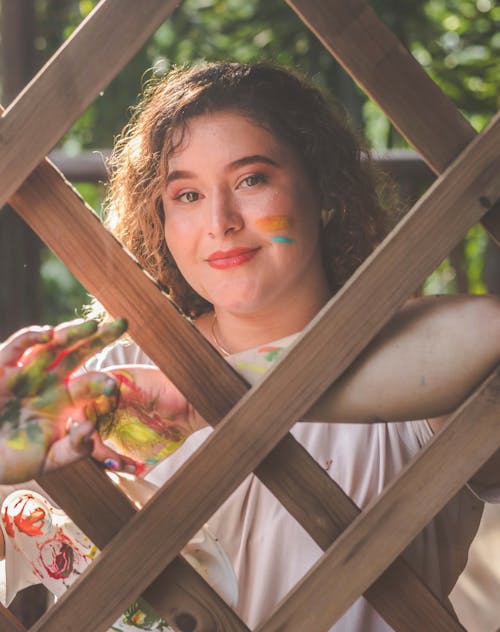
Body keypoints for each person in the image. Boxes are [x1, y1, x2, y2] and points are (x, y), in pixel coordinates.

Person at [1, 62, 499, 631]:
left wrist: (211, 397)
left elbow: (490, 330)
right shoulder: (119, 376)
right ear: (160, 218)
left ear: (325, 194)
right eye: (186, 194)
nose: (220, 221)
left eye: (251, 180)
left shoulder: (408, 348)